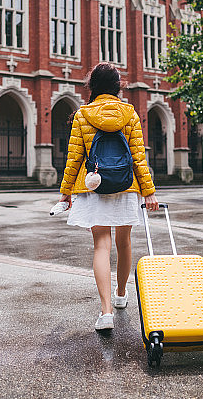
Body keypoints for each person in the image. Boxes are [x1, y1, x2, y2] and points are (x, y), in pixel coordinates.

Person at [58, 63, 159, 332]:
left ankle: (105, 313)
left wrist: (66, 192)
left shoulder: (82, 115)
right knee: (124, 242)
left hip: (94, 185)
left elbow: (74, 158)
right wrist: (148, 191)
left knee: (101, 245)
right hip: (126, 185)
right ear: (118, 86)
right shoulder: (130, 114)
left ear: (92, 86)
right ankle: (121, 294)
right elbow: (139, 156)